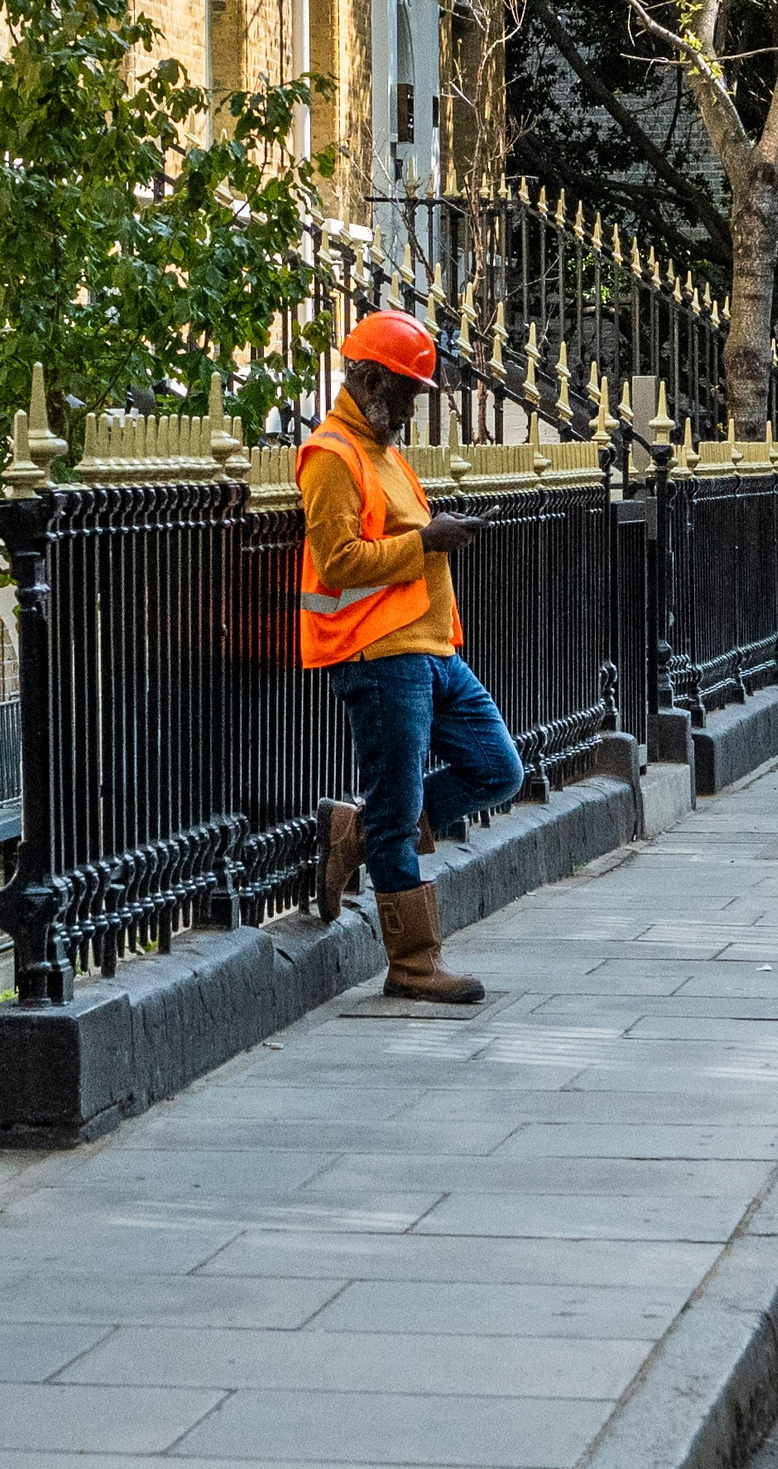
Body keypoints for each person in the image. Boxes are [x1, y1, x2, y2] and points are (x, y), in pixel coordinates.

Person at [299, 309, 524, 1003]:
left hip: (430, 650)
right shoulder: (332, 455)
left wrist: (434, 535)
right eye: (405, 392)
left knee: (498, 769)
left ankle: (355, 829)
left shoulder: (382, 451)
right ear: (369, 379)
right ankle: (413, 963)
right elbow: (338, 562)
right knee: (398, 815)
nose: (410, 408)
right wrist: (427, 540)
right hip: (381, 654)